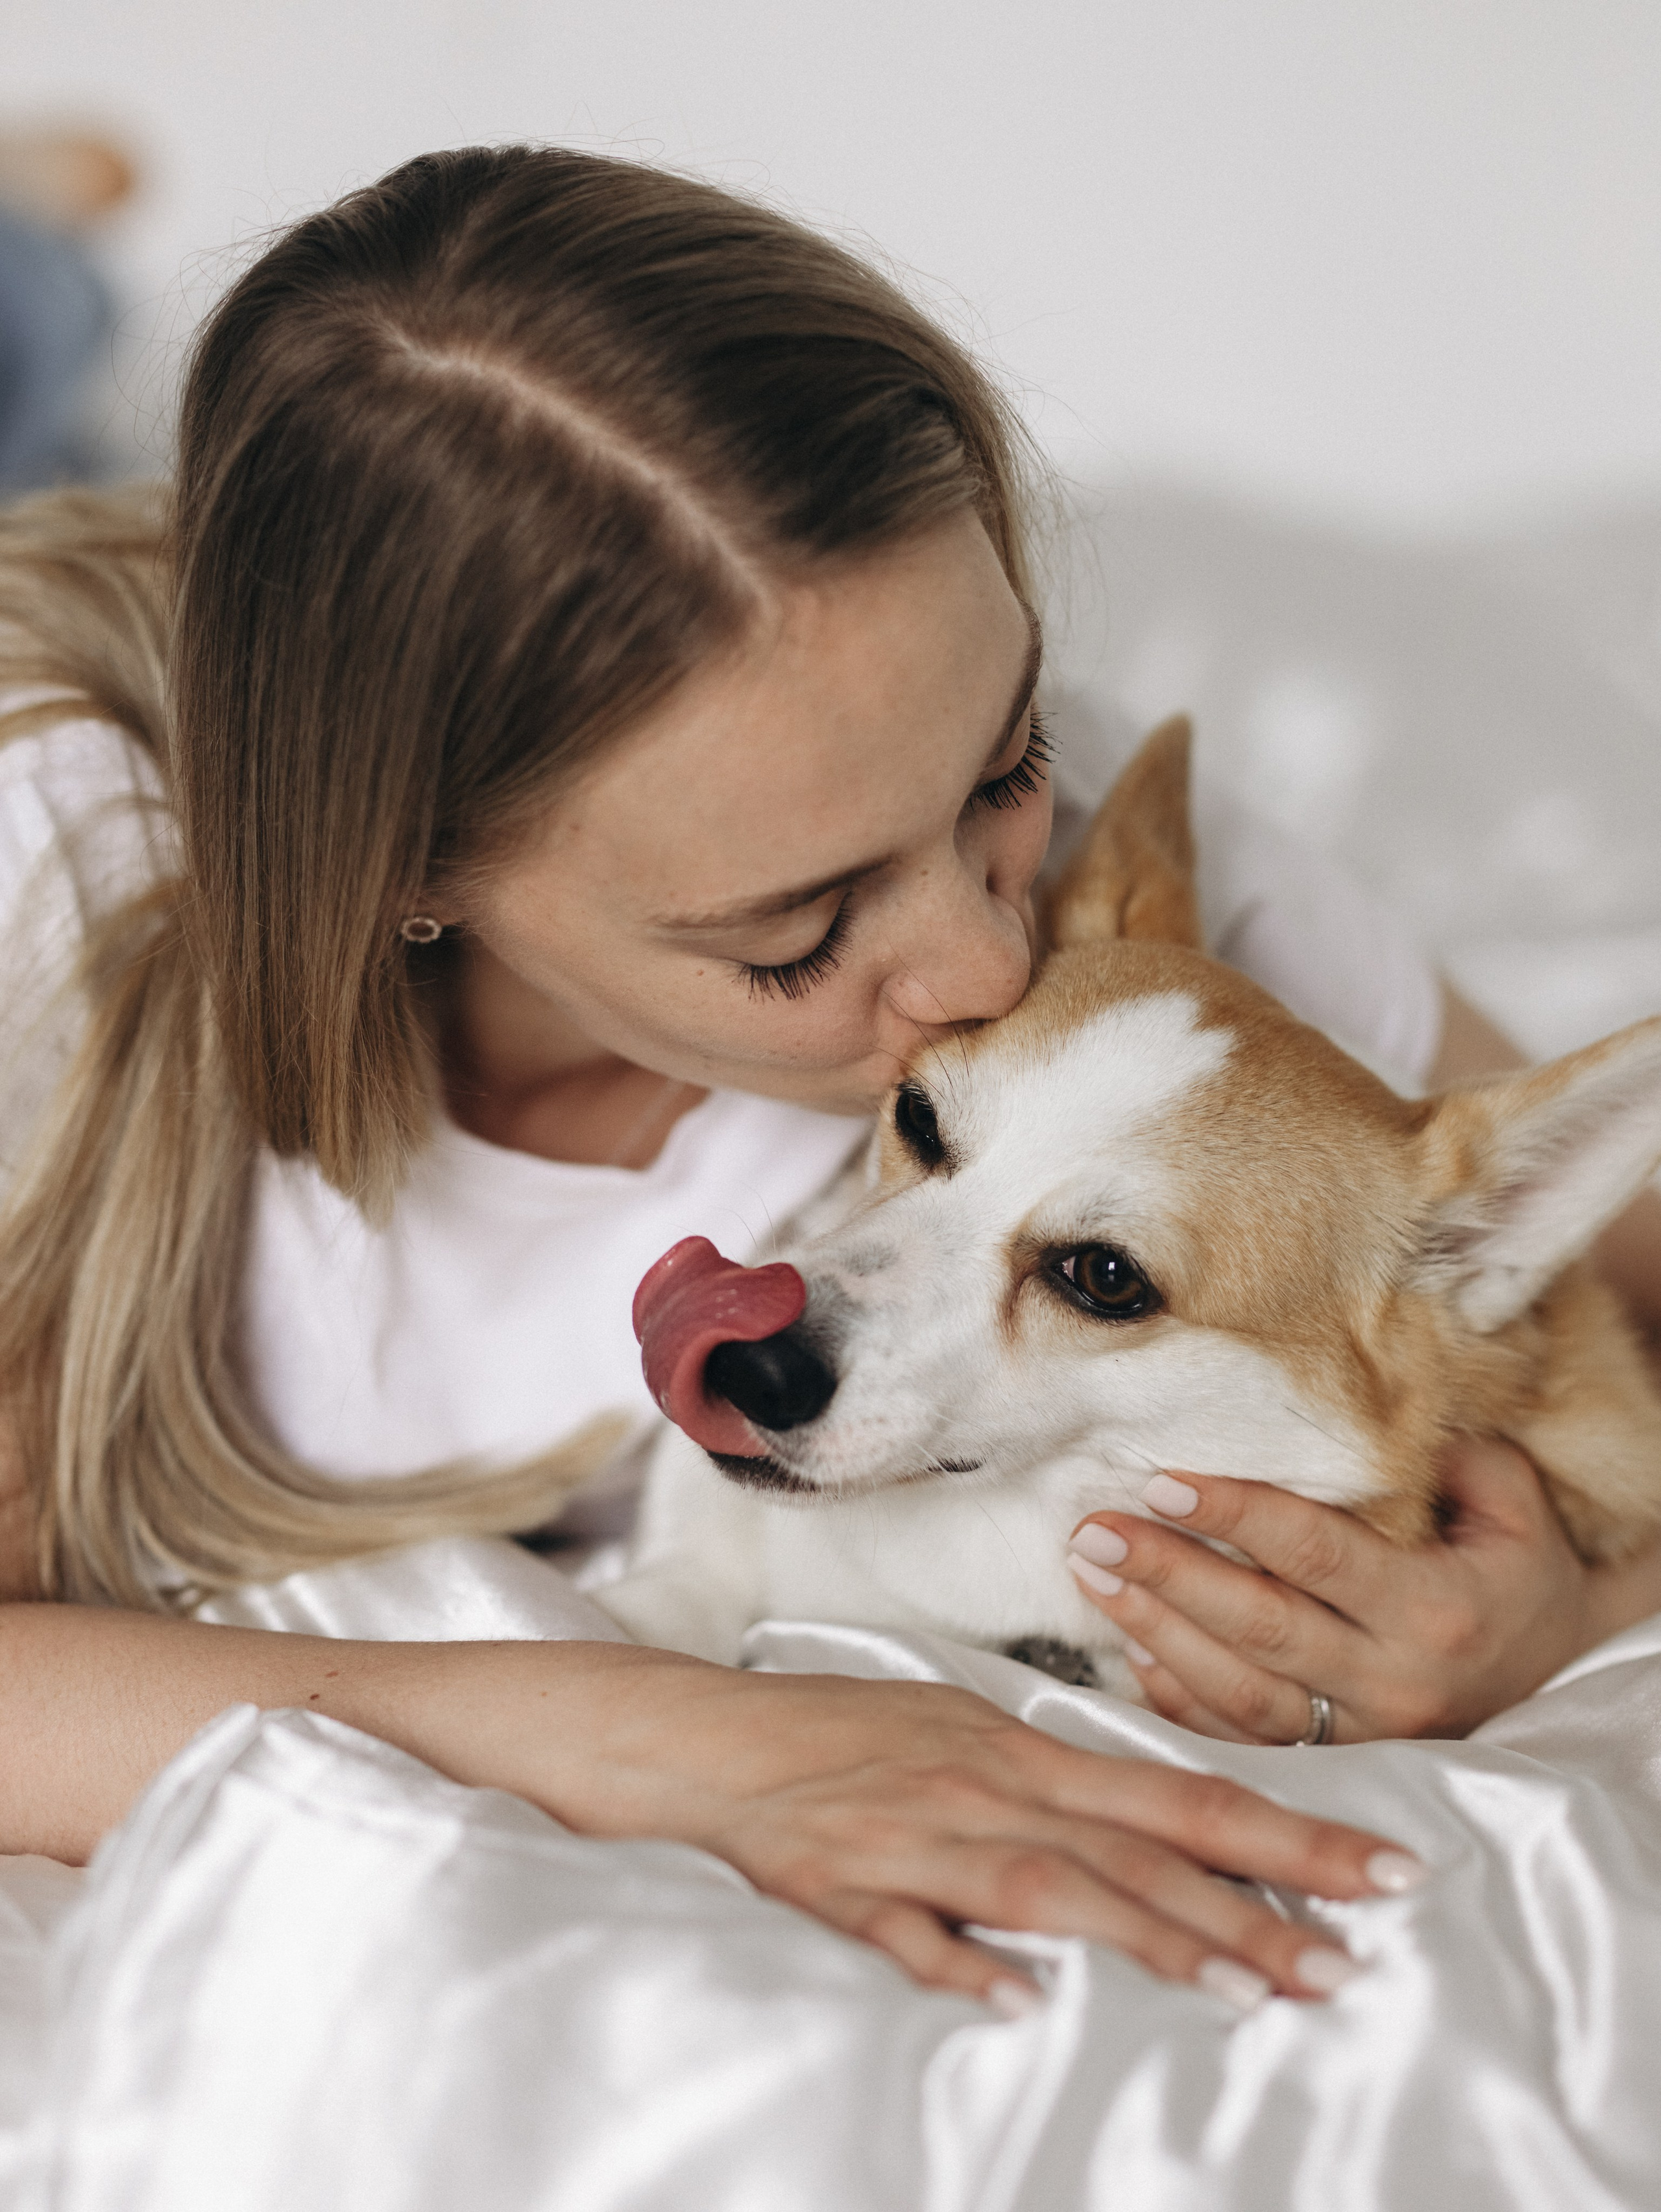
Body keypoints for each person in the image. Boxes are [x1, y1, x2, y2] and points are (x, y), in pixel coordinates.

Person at [0, 145, 1655, 2019]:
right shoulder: (46, 893)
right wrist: (641, 1735)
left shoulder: (1129, 905)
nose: (983, 970)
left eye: (1003, 768)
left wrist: (1572, 1619)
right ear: (403, 869)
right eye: (797, 928)